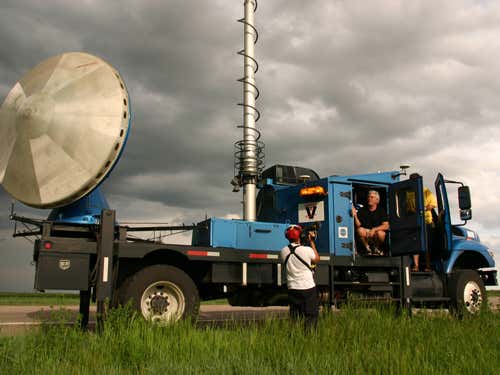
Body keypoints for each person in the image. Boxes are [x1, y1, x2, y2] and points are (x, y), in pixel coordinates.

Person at [280, 224, 320, 329]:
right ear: (300, 236)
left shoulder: (283, 251)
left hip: (293, 288)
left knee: (295, 317)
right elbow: (316, 259)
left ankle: (294, 337)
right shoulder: (307, 250)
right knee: (311, 316)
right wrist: (311, 241)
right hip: (308, 288)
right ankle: (310, 337)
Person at [408, 173, 437, 272]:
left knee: (426, 244)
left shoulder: (426, 191)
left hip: (426, 221)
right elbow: (408, 209)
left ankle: (428, 266)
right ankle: (416, 266)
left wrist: (423, 209)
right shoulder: (408, 193)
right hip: (414, 222)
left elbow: (433, 204)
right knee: (415, 244)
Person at [352, 190, 389, 255]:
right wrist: (355, 215)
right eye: (368, 197)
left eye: (372, 197)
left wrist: (374, 229)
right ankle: (368, 249)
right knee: (360, 230)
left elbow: (386, 226)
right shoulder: (362, 210)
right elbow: (358, 225)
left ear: (377, 200)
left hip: (375, 234)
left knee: (381, 233)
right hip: (367, 234)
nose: (369, 199)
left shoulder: (381, 211)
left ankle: (376, 248)